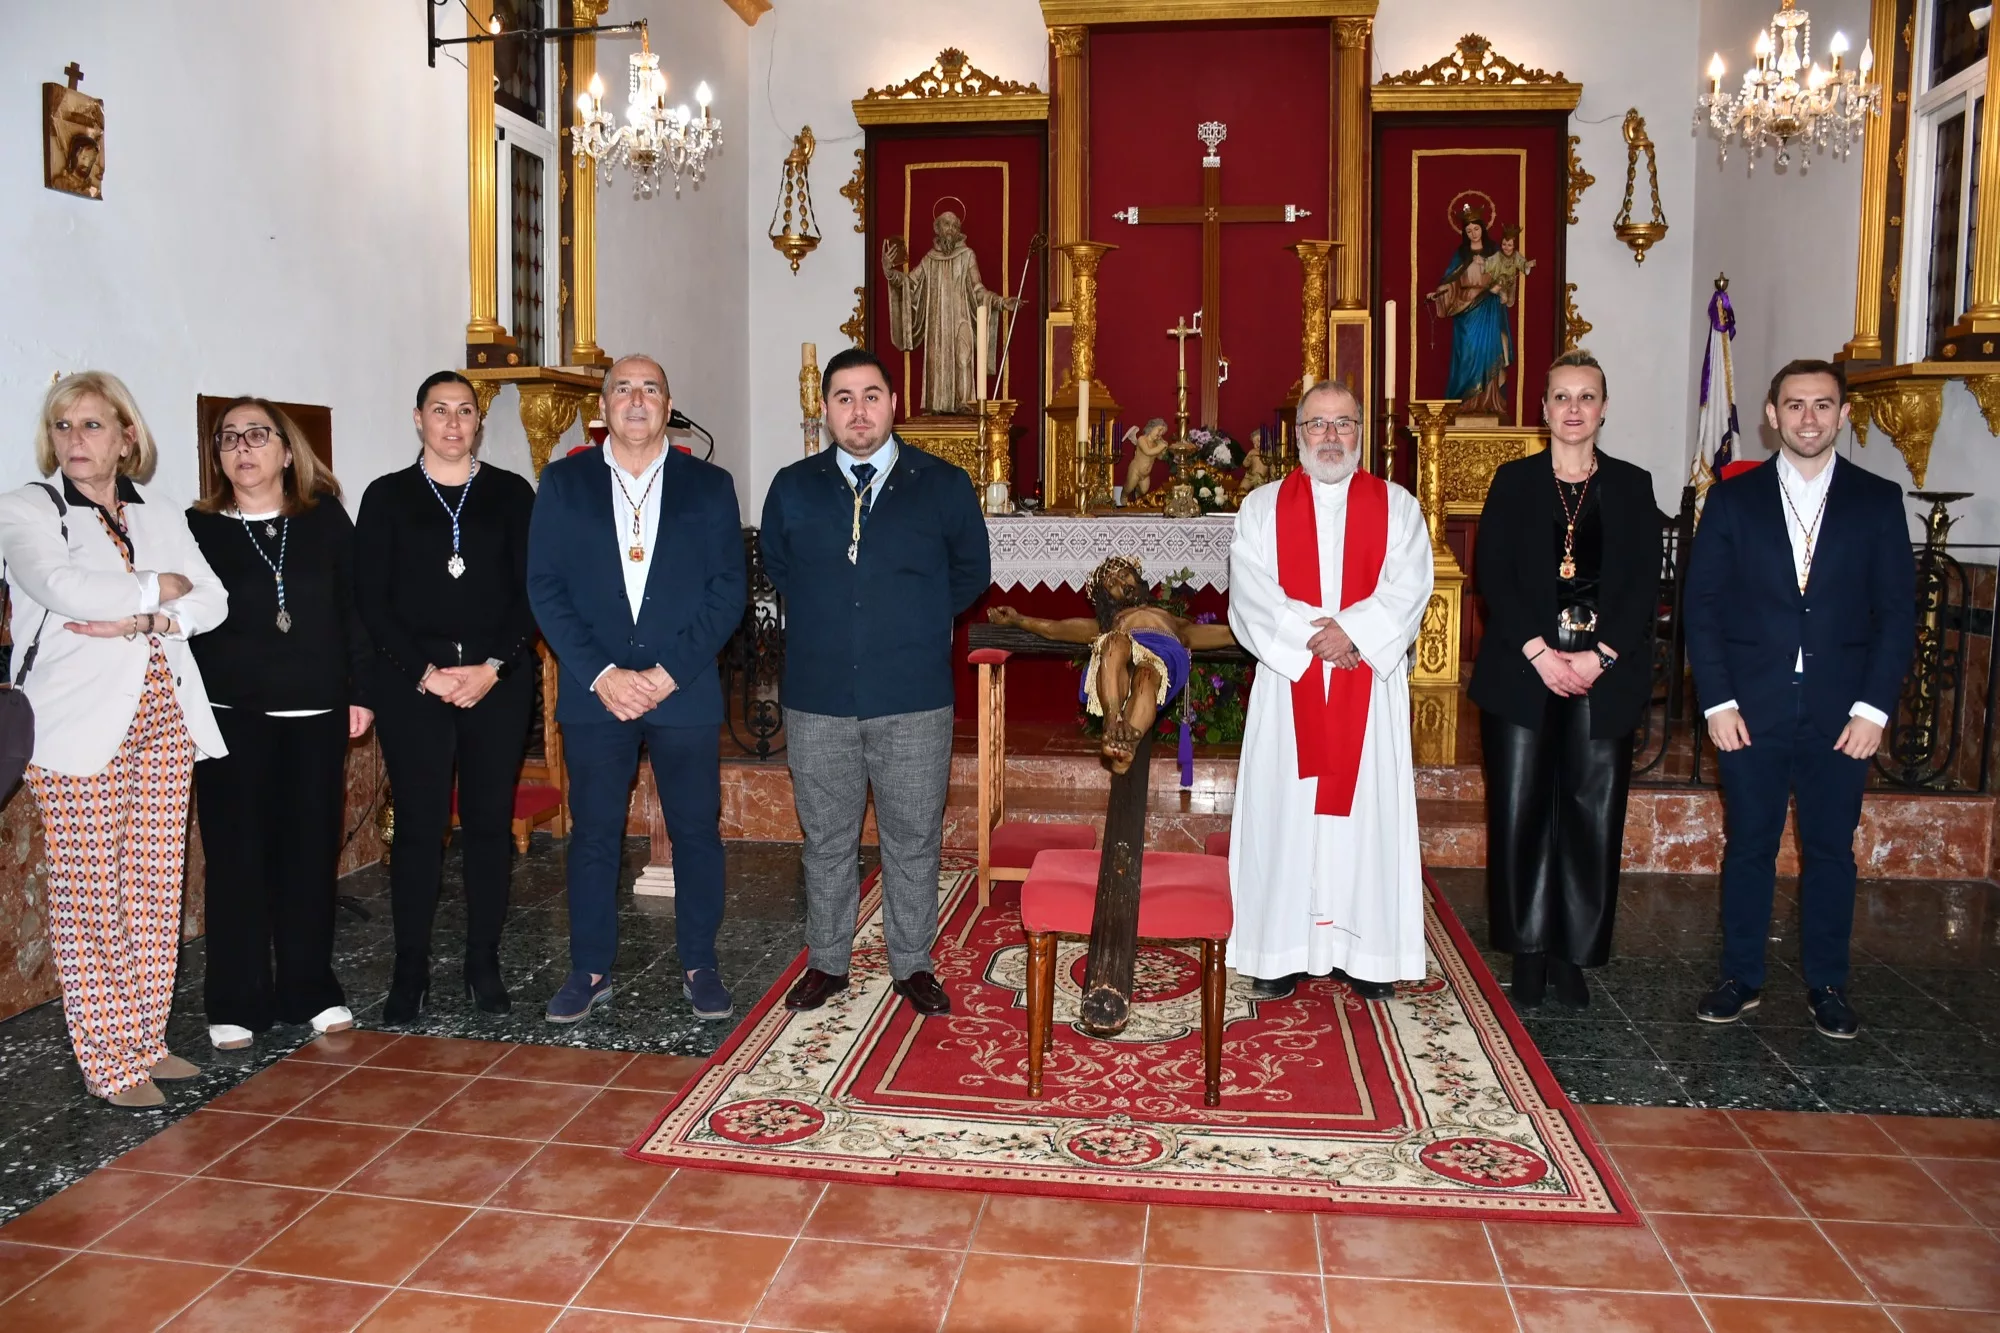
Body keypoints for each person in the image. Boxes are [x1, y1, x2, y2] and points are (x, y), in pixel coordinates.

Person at [0, 372, 229, 1107]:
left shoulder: (158, 511)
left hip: (165, 718)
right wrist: (159, 587)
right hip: (78, 729)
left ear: (127, 437)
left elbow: (214, 598)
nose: (75, 439)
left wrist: (150, 618)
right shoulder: (26, 509)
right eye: (63, 426)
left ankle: (145, 1042)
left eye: (92, 425)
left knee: (155, 887)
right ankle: (107, 1061)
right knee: (92, 897)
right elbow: (61, 587)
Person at [1685, 359, 1915, 1038]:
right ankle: (1740, 977)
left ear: (1843, 415)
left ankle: (1828, 984)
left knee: (1831, 850)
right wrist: (1717, 702)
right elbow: (1702, 608)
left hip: (1843, 713)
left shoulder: (1877, 500)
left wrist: (1873, 709)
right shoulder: (1732, 500)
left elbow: (1896, 615)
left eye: (1821, 405)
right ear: (1771, 414)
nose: (1808, 418)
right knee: (1749, 846)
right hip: (1749, 709)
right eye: (1794, 405)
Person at [761, 347, 990, 1016]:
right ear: (825, 408)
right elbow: (780, 565)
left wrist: (912, 621)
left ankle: (912, 963)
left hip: (912, 695)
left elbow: (970, 571)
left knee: (913, 839)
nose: (857, 411)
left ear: (893, 403)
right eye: (843, 398)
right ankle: (828, 961)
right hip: (819, 696)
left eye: (870, 396)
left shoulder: (942, 484)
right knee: (826, 840)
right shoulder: (794, 486)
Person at [527, 355, 745, 1024]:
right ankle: (589, 969)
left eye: (651, 388)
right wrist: (602, 674)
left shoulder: (709, 485)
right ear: (603, 408)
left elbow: (726, 590)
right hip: (596, 692)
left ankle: (700, 964)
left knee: (695, 831)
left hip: (683, 687)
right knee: (593, 833)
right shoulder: (563, 483)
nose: (637, 398)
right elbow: (545, 588)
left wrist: (666, 673)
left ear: (668, 407)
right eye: (623, 388)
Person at [1226, 380, 1433, 1001]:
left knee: (1367, 816)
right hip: (1290, 684)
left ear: (1361, 433)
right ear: (1298, 436)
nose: (1331, 436)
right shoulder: (1262, 508)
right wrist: (1315, 640)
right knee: (1283, 814)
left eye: (1344, 423)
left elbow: (1409, 587)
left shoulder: (1398, 507)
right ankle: (1278, 950)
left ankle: (1367, 955)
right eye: (1318, 424)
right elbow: (1251, 591)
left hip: (1366, 683)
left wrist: (1352, 634)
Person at [1470, 350, 1662, 1009]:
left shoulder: (1632, 485)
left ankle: (1571, 953)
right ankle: (1527, 950)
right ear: (1544, 409)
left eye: (1586, 396)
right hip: (1523, 668)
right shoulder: (1513, 481)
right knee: (1520, 810)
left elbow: (1643, 582)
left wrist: (1599, 655)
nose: (1573, 408)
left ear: (1604, 408)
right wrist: (1539, 653)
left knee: (1590, 813)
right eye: (1561, 396)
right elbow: (1493, 574)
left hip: (1605, 672)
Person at [186, 397, 373, 1051]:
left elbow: (354, 609)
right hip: (230, 718)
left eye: (257, 435)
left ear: (287, 451)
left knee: (308, 857)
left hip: (315, 713)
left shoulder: (325, 519)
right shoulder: (197, 527)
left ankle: (309, 989)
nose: (242, 447)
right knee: (236, 860)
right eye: (229, 437)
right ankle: (236, 999)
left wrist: (361, 692)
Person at [354, 371, 538, 1024]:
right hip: (414, 686)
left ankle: (482, 962)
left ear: (478, 422)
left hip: (497, 682)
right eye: (440, 410)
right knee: (419, 827)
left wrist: (493, 666)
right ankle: (410, 968)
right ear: (418, 418)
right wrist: (425, 672)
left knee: (489, 823)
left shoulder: (511, 494)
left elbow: (533, 591)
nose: (453, 423)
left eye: (464, 410)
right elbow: (371, 600)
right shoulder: (387, 496)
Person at [986, 555, 1236, 777]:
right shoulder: (1110, 623)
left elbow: (1226, 633)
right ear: (1106, 598)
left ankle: (1125, 747)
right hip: (1118, 657)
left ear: (1138, 578)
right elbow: (1055, 629)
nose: (1121, 583)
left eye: (1125, 575)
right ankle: (1113, 720)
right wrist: (1018, 620)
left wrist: (1254, 628)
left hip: (1163, 655)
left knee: (1146, 674)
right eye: (1111, 583)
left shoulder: (1171, 620)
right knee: (1115, 641)